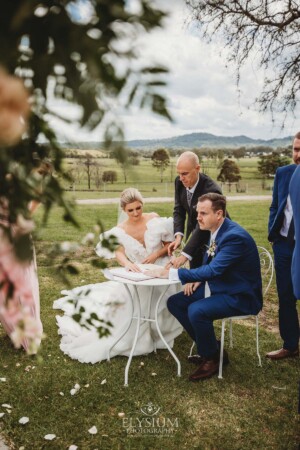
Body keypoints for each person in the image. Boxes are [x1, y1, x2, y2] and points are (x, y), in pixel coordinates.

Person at [53, 188, 182, 364]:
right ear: (124, 210)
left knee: (165, 298)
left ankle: (161, 329)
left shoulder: (154, 218)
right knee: (132, 303)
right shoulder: (119, 230)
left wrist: (156, 255)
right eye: (131, 210)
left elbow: (168, 245)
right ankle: (141, 333)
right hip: (139, 271)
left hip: (160, 266)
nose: (136, 213)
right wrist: (128, 264)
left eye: (138, 208)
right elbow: (119, 253)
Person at [146, 193, 263, 380]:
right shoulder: (216, 230)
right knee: (176, 302)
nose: (198, 217)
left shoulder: (234, 237)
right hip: (220, 286)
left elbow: (214, 270)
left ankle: (211, 358)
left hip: (240, 295)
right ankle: (213, 349)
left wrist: (170, 273)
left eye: (203, 213)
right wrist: (198, 278)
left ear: (219, 214)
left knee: (196, 310)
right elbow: (213, 266)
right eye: (197, 212)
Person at [266, 132, 300, 360]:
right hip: (284, 245)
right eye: (296, 149)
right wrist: (274, 234)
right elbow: (275, 206)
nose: (298, 155)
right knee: (286, 296)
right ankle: (290, 345)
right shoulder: (283, 173)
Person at [168, 151, 223, 269]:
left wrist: (184, 255)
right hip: (195, 236)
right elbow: (179, 209)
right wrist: (178, 236)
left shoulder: (212, 191)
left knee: (209, 276)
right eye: (179, 173)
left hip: (214, 239)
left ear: (197, 169)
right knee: (194, 278)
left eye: (185, 174)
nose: (181, 178)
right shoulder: (179, 182)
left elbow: (205, 224)